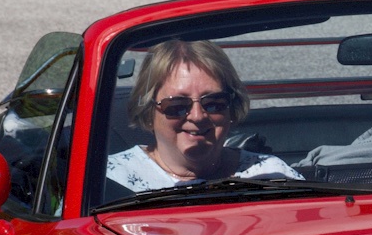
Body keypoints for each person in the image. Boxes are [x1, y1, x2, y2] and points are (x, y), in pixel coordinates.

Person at [106, 39, 298, 193]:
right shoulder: (109, 180)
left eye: (214, 103)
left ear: (231, 108)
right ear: (148, 112)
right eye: (177, 106)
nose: (197, 116)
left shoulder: (271, 175)